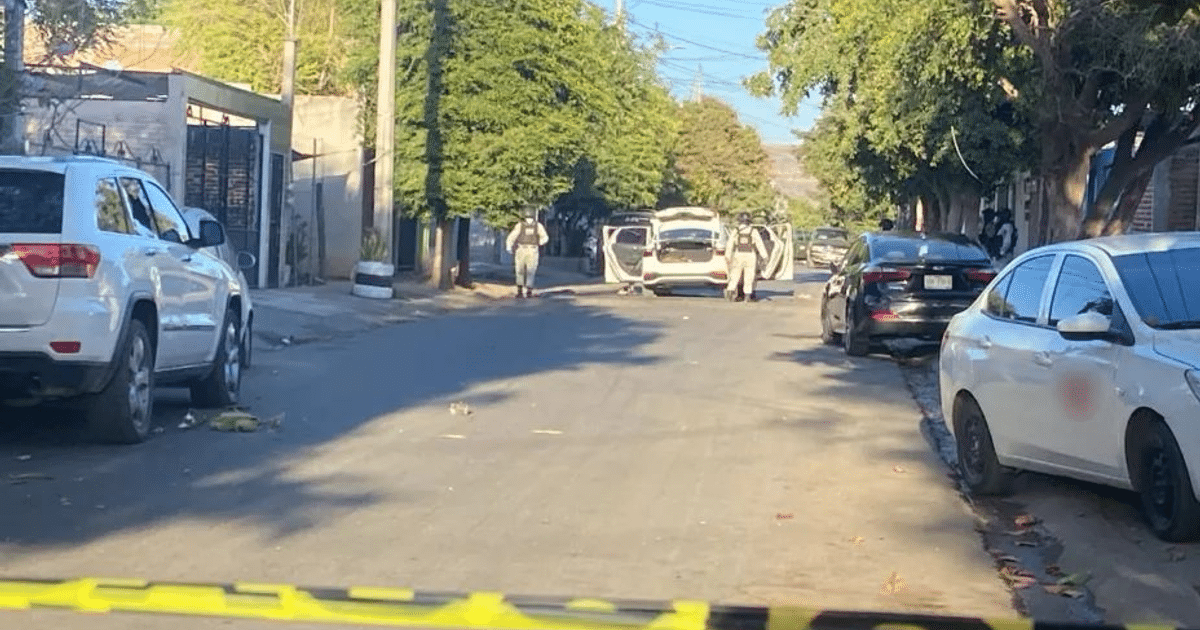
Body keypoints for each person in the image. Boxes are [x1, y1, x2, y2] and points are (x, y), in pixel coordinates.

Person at [505, 208, 549, 298]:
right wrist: (540, 242)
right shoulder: (536, 226)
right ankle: (527, 290)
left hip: (523, 249)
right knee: (527, 270)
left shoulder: (521, 225)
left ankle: (521, 291)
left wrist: (509, 246)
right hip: (531, 249)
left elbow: (511, 237)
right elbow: (545, 237)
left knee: (523, 270)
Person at [725, 212, 768, 303]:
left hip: (738, 254)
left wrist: (727, 256)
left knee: (735, 275)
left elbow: (730, 244)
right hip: (750, 255)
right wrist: (765, 256)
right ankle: (747, 297)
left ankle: (730, 292)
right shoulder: (753, 231)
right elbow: (759, 244)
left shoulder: (736, 231)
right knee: (749, 276)